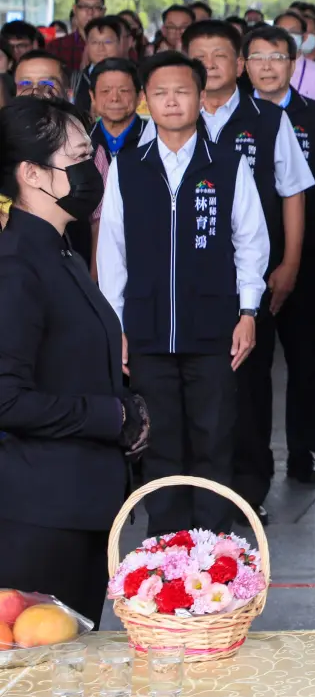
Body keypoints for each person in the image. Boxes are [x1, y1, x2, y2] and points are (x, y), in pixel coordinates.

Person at [97, 51, 269, 537]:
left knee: (214, 439)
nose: (172, 101)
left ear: (200, 96)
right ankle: (167, 548)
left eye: (182, 91)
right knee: (160, 442)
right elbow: (112, 254)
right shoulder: (127, 167)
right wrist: (117, 328)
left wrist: (249, 311)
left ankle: (213, 546)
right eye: (161, 93)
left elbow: (251, 242)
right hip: (147, 332)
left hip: (213, 330)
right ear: (146, 101)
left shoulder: (229, 165)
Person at [0, 97, 150, 625]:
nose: (93, 171)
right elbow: (6, 398)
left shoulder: (59, 251)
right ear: (33, 174)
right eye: (81, 156)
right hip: (40, 514)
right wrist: (110, 416)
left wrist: (127, 408)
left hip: (80, 503)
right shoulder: (16, 266)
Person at [179, 20, 315, 523]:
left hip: (253, 277)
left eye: (221, 56)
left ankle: (249, 485)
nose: (211, 65)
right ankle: (199, 485)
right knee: (194, 380)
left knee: (251, 381)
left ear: (240, 66)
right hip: (190, 274)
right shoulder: (171, 119)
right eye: (201, 56)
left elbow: (293, 191)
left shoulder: (267, 119)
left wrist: (291, 263)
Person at [242, 24, 315, 490]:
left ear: (294, 63)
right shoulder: (231, 116)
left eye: (277, 57)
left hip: (303, 256)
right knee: (253, 365)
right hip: (245, 263)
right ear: (245, 64)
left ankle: (304, 452)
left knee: (303, 359)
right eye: (258, 57)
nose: (267, 66)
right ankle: (252, 461)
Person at [88, 58, 146, 161]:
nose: (114, 98)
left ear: (140, 96)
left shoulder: (156, 137)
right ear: (93, 97)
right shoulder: (82, 139)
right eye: (106, 91)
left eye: (123, 91)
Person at [275, 12, 315, 105]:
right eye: (281, 32)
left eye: (293, 32)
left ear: (304, 37)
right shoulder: (265, 69)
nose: (287, 37)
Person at [47, 0, 106, 72]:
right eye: (84, 6)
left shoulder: (113, 46)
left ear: (103, 11)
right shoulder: (56, 47)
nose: (90, 12)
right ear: (75, 9)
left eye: (96, 7)